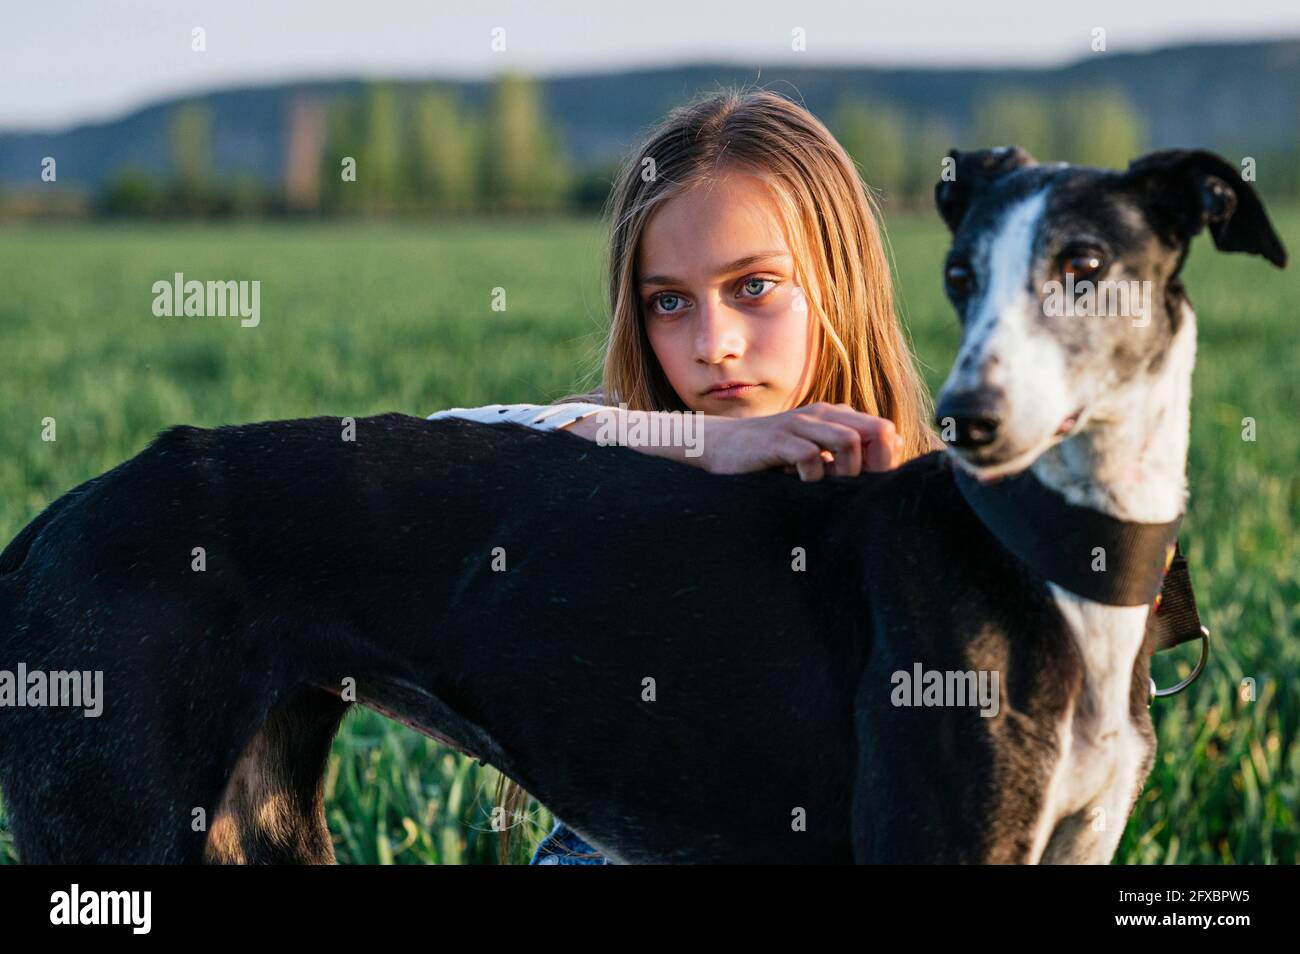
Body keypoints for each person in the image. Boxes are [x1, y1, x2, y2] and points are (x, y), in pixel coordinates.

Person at [428, 86, 944, 864]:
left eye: (754, 288)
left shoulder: (936, 502)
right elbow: (435, 451)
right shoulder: (631, 462)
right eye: (669, 302)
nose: (713, 343)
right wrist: (697, 444)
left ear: (840, 277)